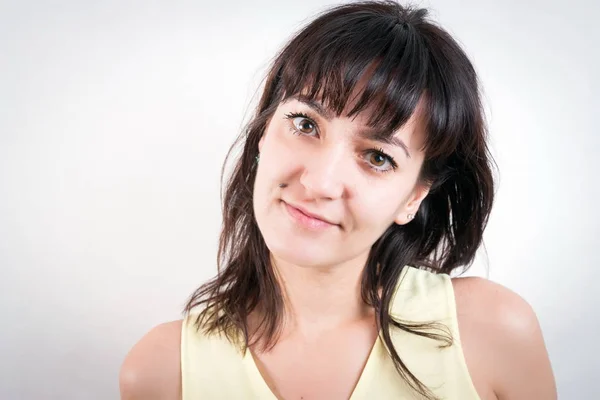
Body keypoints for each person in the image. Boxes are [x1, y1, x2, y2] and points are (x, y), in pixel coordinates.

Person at [119, 1, 557, 399]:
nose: (321, 182)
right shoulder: (162, 371)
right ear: (263, 133)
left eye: (377, 157)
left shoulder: (492, 331)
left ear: (414, 197)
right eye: (306, 125)